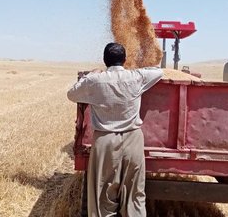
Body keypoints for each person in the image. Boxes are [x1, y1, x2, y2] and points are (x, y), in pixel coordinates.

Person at [67, 42, 163, 217]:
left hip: (105, 140)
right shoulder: (136, 77)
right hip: (133, 139)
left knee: (103, 193)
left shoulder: (95, 81)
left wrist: (91, 75)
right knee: (135, 193)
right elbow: (159, 71)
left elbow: (71, 94)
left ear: (104, 60)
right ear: (125, 60)